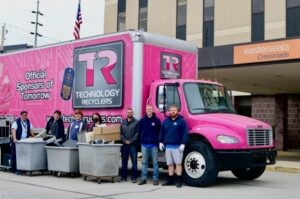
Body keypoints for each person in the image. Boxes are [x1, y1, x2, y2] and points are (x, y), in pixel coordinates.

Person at [159, 104, 189, 188]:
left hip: (177, 147)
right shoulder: (166, 121)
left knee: (178, 164)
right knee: (170, 164)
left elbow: (185, 133)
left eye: (174, 110)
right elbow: (162, 132)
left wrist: (183, 143)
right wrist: (161, 142)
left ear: (177, 111)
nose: (173, 111)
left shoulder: (181, 121)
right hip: (168, 147)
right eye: (171, 110)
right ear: (169, 111)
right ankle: (170, 180)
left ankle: (178, 181)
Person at [138, 105, 161, 186]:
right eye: (147, 109)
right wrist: (142, 139)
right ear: (146, 110)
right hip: (144, 145)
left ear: (152, 110)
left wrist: (158, 141)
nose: (149, 110)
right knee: (144, 163)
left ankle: (155, 179)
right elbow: (139, 132)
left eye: (150, 109)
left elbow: (159, 132)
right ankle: (143, 179)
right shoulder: (142, 121)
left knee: (155, 163)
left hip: (154, 145)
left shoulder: (157, 120)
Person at [120, 108, 139, 183]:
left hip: (133, 145)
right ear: (126, 113)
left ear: (133, 113)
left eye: (130, 112)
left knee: (134, 162)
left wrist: (130, 141)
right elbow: (120, 133)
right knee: (124, 162)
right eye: (128, 112)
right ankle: (123, 177)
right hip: (124, 145)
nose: (129, 113)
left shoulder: (136, 122)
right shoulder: (123, 122)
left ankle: (134, 178)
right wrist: (125, 141)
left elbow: (137, 133)